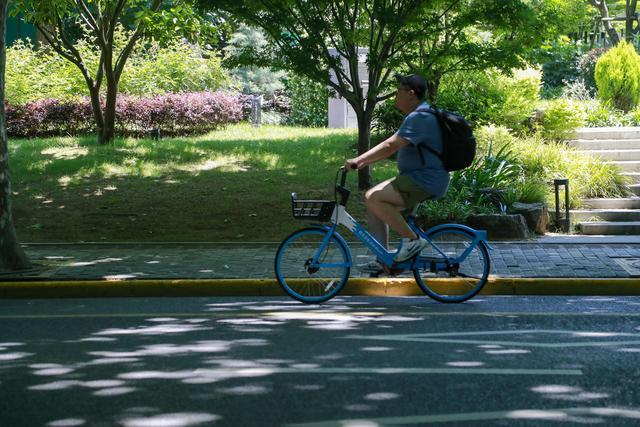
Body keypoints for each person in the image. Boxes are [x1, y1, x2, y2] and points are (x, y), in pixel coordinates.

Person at [344, 74, 450, 275]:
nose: (395, 95)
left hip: (425, 180)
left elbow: (390, 146)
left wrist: (358, 160)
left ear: (411, 94)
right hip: (419, 178)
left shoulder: (420, 117)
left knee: (372, 197)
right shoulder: (420, 114)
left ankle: (412, 240)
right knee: (375, 206)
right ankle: (382, 259)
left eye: (398, 91)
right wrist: (363, 162)